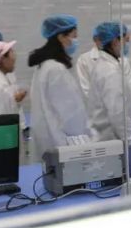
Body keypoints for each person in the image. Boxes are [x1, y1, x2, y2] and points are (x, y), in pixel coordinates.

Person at [28, 15, 91, 160]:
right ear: (61, 37)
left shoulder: (44, 66)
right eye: (73, 36)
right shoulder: (55, 69)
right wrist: (85, 138)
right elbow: (71, 115)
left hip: (50, 139)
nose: (75, 41)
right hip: (62, 143)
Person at [87, 22, 131, 142]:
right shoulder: (110, 71)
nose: (127, 45)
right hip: (109, 139)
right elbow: (117, 115)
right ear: (115, 41)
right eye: (125, 41)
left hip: (105, 136)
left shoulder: (106, 65)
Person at [75, 26, 102, 102]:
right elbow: (85, 88)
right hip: (95, 106)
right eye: (102, 38)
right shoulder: (84, 59)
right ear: (95, 39)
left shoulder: (121, 59)